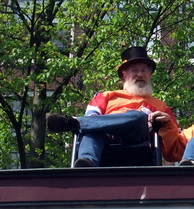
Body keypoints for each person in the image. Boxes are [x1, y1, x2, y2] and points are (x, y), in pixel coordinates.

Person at [46, 46, 183, 166]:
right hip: (106, 138)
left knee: (138, 116)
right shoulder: (106, 96)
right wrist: (108, 127)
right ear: (124, 74)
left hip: (138, 139)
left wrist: (168, 123)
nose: (140, 74)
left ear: (149, 74)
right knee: (92, 130)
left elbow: (175, 151)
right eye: (134, 70)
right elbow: (92, 117)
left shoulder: (160, 105)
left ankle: (74, 122)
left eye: (144, 71)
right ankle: (85, 164)